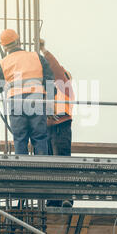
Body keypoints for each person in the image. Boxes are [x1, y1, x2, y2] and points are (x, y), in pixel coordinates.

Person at [0, 29, 55, 156]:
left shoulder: (3, 63)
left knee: (20, 138)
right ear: (19, 41)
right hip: (36, 100)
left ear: (4, 47)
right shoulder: (36, 57)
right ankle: (42, 166)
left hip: (17, 101)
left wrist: (6, 84)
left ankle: (21, 168)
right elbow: (50, 80)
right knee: (40, 137)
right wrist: (51, 105)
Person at [39, 38, 74, 208]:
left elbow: (54, 67)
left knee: (62, 162)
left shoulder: (64, 84)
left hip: (61, 125)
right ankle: (53, 199)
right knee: (50, 165)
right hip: (49, 127)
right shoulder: (50, 89)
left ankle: (65, 197)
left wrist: (44, 51)